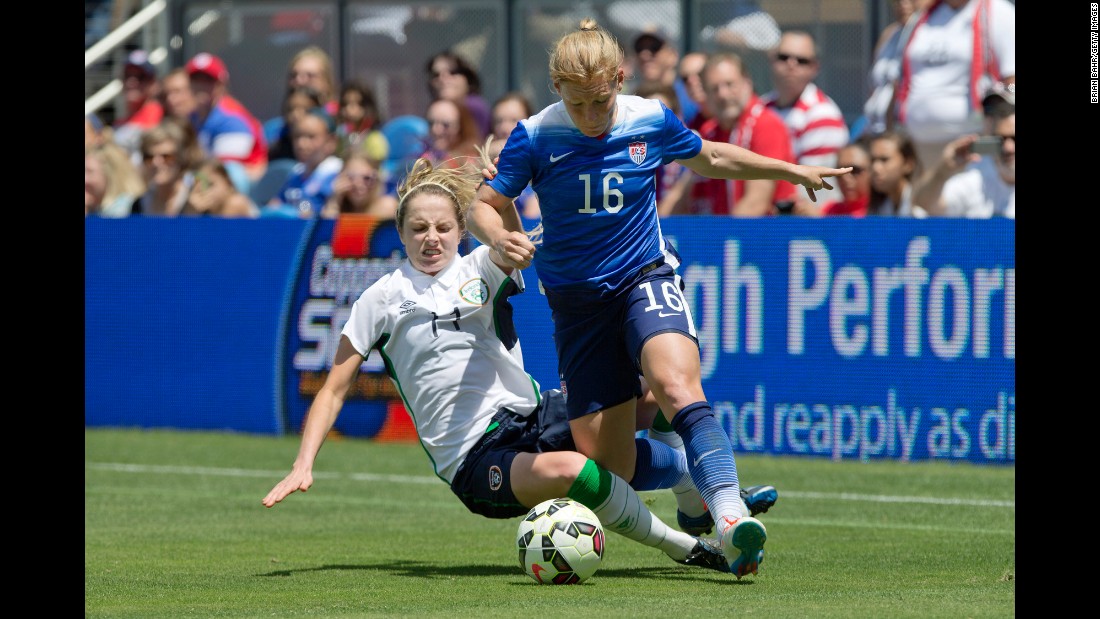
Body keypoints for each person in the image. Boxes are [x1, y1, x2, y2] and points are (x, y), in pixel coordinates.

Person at [261, 155, 777, 575]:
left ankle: (703, 496)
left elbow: (515, 245)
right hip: (473, 456)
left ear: (461, 228)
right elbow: (332, 389)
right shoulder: (379, 299)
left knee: (652, 395)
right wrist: (304, 463)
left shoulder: (479, 266)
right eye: (418, 228)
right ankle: (686, 546)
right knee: (576, 470)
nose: (432, 237)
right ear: (400, 232)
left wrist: (502, 197)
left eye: (443, 226)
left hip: (535, 413)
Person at [466, 19, 848, 577]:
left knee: (674, 383)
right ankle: (690, 478)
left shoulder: (648, 117)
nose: (591, 117)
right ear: (557, 92)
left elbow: (712, 158)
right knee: (610, 470)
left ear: (619, 80)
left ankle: (728, 512)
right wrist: (500, 235)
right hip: (577, 304)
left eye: (600, 101)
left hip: (644, 275)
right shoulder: (535, 134)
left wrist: (790, 170)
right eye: (578, 105)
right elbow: (484, 202)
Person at [893, 0, 1015, 172]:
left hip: (972, 148)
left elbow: (1012, 80)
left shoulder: (999, 11)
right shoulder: (925, 15)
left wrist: (1001, 131)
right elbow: (900, 80)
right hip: (917, 147)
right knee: (922, 199)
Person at [689, 52, 799, 217]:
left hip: (761, 238)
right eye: (714, 88)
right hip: (724, 233)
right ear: (705, 94)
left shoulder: (765, 124)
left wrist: (722, 239)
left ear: (747, 82)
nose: (723, 95)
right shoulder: (708, 131)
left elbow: (755, 204)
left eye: (729, 84)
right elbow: (686, 193)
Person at [761, 31, 849, 204]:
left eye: (802, 61)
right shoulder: (761, 106)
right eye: (783, 57)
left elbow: (814, 188)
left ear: (815, 68)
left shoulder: (823, 115)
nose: (791, 65)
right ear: (772, 60)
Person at [913, 84, 1014, 218]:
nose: (1008, 147)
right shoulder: (976, 178)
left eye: (1006, 109)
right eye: (989, 111)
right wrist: (943, 170)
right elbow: (926, 204)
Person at [186, 52, 269, 183]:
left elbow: (223, 173)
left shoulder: (232, 118)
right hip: (207, 179)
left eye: (208, 80)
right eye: (196, 79)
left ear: (221, 85)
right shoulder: (191, 116)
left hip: (242, 187)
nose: (200, 86)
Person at [858, 0, 926, 139]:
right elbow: (874, 83)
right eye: (898, 1)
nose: (903, 4)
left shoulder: (926, 37)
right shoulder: (889, 34)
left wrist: (889, 131)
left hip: (901, 132)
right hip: (873, 127)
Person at [268, 107, 343, 218]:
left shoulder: (337, 174)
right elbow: (275, 205)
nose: (301, 144)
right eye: (297, 136)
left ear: (331, 142)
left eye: (311, 137)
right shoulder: (295, 174)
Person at [130, 118, 204, 217]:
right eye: (149, 157)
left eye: (166, 157)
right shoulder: (139, 205)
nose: (156, 162)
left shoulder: (197, 196)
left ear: (181, 158)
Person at [487, 93, 540, 228]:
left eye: (514, 121)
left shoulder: (542, 163)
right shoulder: (483, 162)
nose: (504, 128)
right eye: (499, 121)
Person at [631, 30, 700, 127]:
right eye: (639, 49)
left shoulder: (691, 96)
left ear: (673, 56)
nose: (645, 55)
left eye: (654, 47)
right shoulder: (633, 100)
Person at [796, 138, 873, 217]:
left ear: (871, 171)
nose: (845, 178)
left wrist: (820, 222)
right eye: (839, 172)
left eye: (854, 170)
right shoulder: (830, 209)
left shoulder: (881, 209)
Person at [112, 49, 164, 166]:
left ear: (153, 84)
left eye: (140, 77)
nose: (131, 82)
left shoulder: (160, 115)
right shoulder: (119, 123)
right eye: (127, 76)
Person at [425, 51, 491, 139]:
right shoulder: (433, 109)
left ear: (468, 78)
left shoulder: (474, 106)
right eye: (436, 75)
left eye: (453, 72)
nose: (442, 78)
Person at [320, 151, 398, 220]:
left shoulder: (386, 206)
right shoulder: (335, 208)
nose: (359, 185)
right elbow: (326, 234)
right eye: (351, 178)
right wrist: (334, 200)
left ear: (377, 179)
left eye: (367, 178)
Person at [867, 129, 926, 217]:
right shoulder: (879, 209)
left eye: (884, 160)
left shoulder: (922, 208)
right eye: (872, 160)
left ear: (908, 164)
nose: (875, 168)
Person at [182, 157, 260, 218]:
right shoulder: (202, 211)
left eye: (210, 184)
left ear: (227, 182)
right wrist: (191, 210)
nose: (204, 191)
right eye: (199, 188)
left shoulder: (235, 203)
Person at [419, 97, 482, 171]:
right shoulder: (422, 156)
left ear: (461, 127)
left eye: (446, 125)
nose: (436, 130)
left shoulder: (471, 162)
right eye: (431, 123)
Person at [265, 86, 326, 162]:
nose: (295, 114)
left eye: (304, 108)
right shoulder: (277, 148)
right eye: (290, 109)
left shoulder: (326, 148)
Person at [335, 80, 390, 163]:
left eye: (355, 103)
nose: (348, 109)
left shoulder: (374, 139)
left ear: (367, 107)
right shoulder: (342, 137)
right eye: (345, 104)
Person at [86, 142, 144, 218]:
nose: (85, 179)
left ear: (110, 175)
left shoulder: (129, 210)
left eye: (90, 172)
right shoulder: (96, 208)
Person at [678, 52, 710, 131]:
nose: (691, 81)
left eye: (699, 74)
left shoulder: (733, 118)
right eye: (685, 78)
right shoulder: (693, 125)